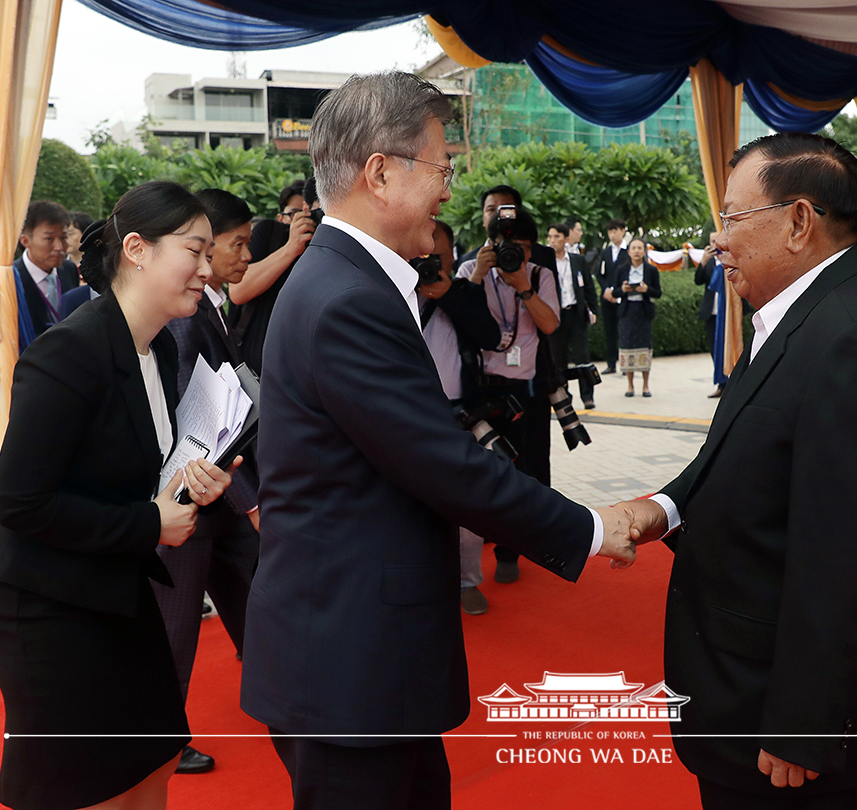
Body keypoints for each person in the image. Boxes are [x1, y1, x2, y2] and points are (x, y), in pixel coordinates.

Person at [239, 72, 636, 810]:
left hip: (365, 653)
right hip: (347, 662)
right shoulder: (346, 298)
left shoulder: (346, 279)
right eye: (444, 167)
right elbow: (441, 464)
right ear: (381, 173)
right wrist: (587, 528)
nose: (452, 190)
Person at [614, 131, 857, 810]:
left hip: (782, 722)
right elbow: (757, 458)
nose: (716, 242)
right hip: (745, 689)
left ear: (799, 221)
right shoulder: (806, 315)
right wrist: (665, 508)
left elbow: (852, 555)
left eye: (732, 218)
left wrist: (806, 720)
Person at [0, 181, 239, 810]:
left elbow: (126, 475)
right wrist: (148, 523)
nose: (208, 270)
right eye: (195, 250)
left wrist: (184, 487)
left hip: (115, 588)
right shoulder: (70, 352)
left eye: (212, 254)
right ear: (137, 249)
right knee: (84, 788)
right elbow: (19, 502)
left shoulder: (155, 352)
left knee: (151, 764)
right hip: (47, 605)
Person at [157, 188, 262, 775]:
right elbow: (193, 419)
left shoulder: (213, 304)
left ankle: (288, 696)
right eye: (235, 244)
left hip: (224, 495)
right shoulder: (185, 315)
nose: (242, 255)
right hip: (189, 497)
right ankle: (161, 741)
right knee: (174, 634)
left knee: (258, 601)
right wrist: (250, 501)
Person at [457, 207, 561, 584]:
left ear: (531, 250)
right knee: (483, 474)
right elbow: (456, 317)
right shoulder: (471, 273)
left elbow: (549, 324)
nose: (513, 254)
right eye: (505, 245)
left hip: (527, 392)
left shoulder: (539, 275)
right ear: (490, 245)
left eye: (521, 247)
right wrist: (482, 273)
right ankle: (482, 544)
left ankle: (511, 550)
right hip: (481, 392)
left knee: (526, 471)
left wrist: (523, 287)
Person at [416, 219, 502, 615]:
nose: (432, 260)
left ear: (453, 255)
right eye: (425, 252)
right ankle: (426, 584)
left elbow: (489, 335)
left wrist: (448, 293)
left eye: (441, 253)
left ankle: (468, 581)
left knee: (466, 512)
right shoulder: (392, 295)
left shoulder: (465, 291)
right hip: (412, 419)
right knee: (414, 511)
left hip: (464, 416)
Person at [226, 178, 316, 374]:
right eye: (294, 214)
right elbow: (238, 290)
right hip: (253, 366)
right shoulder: (270, 233)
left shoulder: (330, 246)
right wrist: (291, 248)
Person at [13, 200, 80, 353]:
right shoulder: (11, 279)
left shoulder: (69, 270)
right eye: (49, 239)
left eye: (63, 238)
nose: (59, 247)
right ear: (25, 240)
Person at [548, 221, 598, 408]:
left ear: (566, 239)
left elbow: (589, 288)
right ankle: (564, 397)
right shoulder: (545, 263)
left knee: (582, 357)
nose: (552, 241)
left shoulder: (578, 261)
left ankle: (588, 396)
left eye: (557, 237)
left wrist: (593, 310)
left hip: (576, 315)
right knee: (558, 360)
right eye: (550, 237)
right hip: (555, 317)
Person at [615, 236, 661, 397]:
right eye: (633, 248)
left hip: (644, 312)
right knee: (627, 347)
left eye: (639, 248)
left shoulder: (651, 270)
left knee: (644, 347)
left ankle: (646, 385)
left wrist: (646, 290)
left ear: (644, 251)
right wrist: (623, 289)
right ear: (628, 251)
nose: (636, 251)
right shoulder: (621, 270)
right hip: (627, 312)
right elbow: (615, 291)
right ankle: (630, 385)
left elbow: (658, 292)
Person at [694, 231, 728, 398]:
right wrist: (704, 260)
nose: (715, 244)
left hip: (728, 312)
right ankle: (721, 383)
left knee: (729, 348)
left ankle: (731, 382)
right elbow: (698, 280)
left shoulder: (730, 258)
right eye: (712, 241)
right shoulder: (709, 263)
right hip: (711, 311)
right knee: (714, 349)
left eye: (717, 240)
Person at [596, 217, 629, 374]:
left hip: (624, 297)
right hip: (607, 298)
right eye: (610, 231)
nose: (612, 235)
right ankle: (611, 363)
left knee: (624, 331)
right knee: (609, 331)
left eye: (615, 231)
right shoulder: (605, 252)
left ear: (623, 231)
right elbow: (599, 273)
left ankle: (625, 364)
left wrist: (618, 292)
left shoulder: (630, 251)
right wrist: (606, 290)